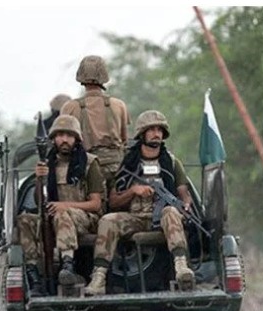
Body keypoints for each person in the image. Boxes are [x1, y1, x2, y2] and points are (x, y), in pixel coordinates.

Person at [85, 110, 195, 296]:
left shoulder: (172, 162)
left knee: (171, 212)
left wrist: (185, 205)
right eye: (151, 129)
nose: (156, 134)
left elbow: (184, 193)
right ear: (142, 134)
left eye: (159, 129)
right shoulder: (129, 163)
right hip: (135, 218)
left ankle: (181, 268)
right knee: (108, 220)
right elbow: (113, 200)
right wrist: (132, 191)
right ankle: (99, 278)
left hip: (162, 219)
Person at [17, 114, 105, 296]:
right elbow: (41, 202)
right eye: (60, 135)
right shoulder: (48, 163)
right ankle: (34, 275)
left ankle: (67, 265)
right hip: (54, 216)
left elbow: (96, 204)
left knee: (61, 214)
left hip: (85, 219)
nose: (64, 140)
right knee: (25, 219)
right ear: (53, 139)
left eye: (69, 135)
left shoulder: (89, 163)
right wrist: (40, 179)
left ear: (76, 138)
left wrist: (64, 205)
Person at [60, 55, 131, 198]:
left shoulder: (69, 107)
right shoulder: (119, 105)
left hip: (85, 167)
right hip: (116, 168)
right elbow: (124, 140)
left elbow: (62, 140)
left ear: (80, 76)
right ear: (104, 75)